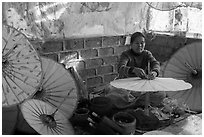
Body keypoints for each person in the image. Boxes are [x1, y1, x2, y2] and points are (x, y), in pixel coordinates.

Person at [105, 32, 165, 110]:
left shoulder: (147, 54)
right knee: (113, 96)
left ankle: (133, 103)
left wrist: (154, 72)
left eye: (142, 43)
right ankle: (138, 103)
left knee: (161, 94)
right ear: (131, 44)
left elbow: (155, 63)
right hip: (126, 85)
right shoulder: (126, 55)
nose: (140, 45)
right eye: (137, 43)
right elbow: (120, 68)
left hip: (142, 86)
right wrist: (133, 70)